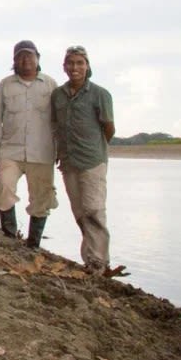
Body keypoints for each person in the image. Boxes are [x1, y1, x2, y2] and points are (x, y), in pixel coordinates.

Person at [0, 40, 58, 244]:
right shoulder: (6, 85)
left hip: (42, 151)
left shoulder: (51, 85)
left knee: (42, 196)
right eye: (20, 56)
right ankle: (10, 236)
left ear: (38, 58)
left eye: (29, 55)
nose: (25, 59)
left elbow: (60, 120)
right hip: (11, 151)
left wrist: (61, 149)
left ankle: (34, 243)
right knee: (4, 188)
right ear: (14, 60)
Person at [52, 45, 116, 271]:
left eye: (80, 63)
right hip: (68, 162)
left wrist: (95, 150)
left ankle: (99, 261)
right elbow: (55, 127)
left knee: (94, 210)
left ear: (87, 66)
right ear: (64, 67)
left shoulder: (100, 94)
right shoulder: (58, 95)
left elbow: (108, 128)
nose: (75, 67)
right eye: (71, 63)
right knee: (80, 212)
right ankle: (91, 258)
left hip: (93, 161)